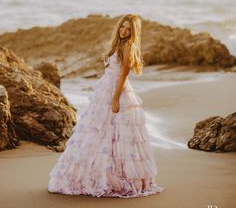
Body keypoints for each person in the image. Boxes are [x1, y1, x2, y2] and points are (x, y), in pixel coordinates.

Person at [48, 14, 165, 198]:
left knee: (118, 136)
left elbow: (124, 73)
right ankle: (100, 173)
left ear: (134, 32)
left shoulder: (128, 45)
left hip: (117, 91)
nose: (124, 31)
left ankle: (117, 177)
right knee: (100, 133)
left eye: (128, 29)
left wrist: (116, 98)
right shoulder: (117, 45)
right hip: (106, 90)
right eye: (123, 27)